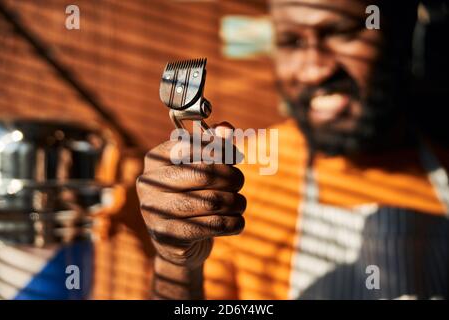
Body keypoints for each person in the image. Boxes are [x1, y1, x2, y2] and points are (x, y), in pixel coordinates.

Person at [136, 0, 449, 300]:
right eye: (291, 41)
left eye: (342, 32)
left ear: (401, 32)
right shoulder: (234, 182)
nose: (314, 71)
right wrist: (176, 262)